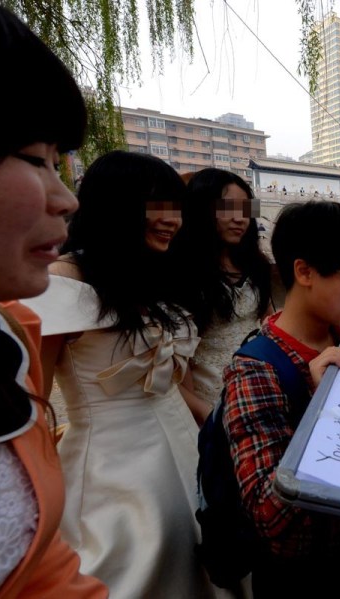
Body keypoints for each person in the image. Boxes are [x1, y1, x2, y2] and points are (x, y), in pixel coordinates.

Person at [22, 151, 218, 598]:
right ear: (117, 205)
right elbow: (34, 400)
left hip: (185, 448)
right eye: (159, 206)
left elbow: (167, 382)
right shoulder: (62, 279)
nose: (173, 220)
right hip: (114, 470)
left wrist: (217, 425)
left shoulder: (151, 273)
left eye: (178, 208)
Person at [0, 6, 107, 598]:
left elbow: (40, 561)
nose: (65, 199)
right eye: (35, 159)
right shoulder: (49, 307)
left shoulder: (11, 334)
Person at [223, 200, 340, 598]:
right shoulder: (254, 371)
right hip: (302, 576)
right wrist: (322, 413)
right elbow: (271, 519)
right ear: (304, 271)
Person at [176, 168, 272, 412]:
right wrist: (207, 418)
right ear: (201, 209)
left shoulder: (256, 265)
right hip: (209, 405)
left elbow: (268, 320)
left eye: (245, 209)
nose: (239, 218)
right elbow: (176, 368)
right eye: (228, 208)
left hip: (257, 391)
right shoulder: (180, 274)